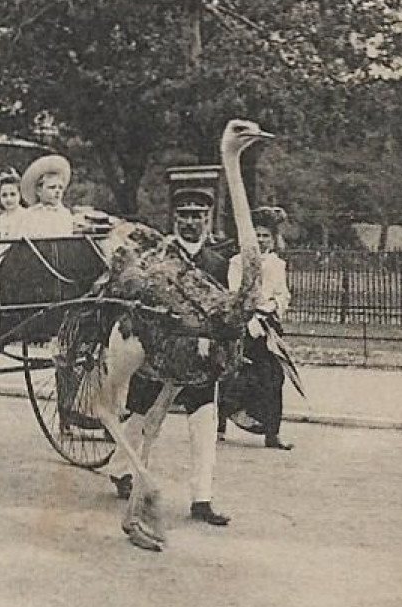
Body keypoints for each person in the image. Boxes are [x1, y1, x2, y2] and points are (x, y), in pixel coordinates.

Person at [108, 196, 232, 526]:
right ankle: (122, 470)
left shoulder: (217, 262)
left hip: (199, 354)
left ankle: (202, 498)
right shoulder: (158, 256)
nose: (191, 222)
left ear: (207, 219)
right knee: (139, 414)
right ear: (175, 219)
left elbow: (222, 311)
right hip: (158, 350)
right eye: (185, 215)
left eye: (198, 215)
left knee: (204, 420)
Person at [220, 207, 295, 451]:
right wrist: (250, 316)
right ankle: (219, 424)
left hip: (267, 327)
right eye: (257, 235)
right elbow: (235, 293)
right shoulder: (238, 262)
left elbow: (283, 294)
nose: (261, 240)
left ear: (273, 239)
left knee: (274, 375)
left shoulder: (277, 264)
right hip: (244, 325)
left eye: (266, 236)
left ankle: (272, 433)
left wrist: (273, 307)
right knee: (232, 373)